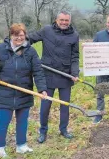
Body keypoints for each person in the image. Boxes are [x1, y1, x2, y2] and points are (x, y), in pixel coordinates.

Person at [0, 23, 47, 157]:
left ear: (25, 35)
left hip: (24, 92)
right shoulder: (1, 48)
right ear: (11, 35)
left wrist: (42, 89)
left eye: (21, 35)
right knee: (3, 121)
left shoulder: (30, 51)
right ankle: (0, 148)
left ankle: (21, 145)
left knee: (23, 121)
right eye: (16, 35)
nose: (19, 38)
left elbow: (38, 71)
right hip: (5, 92)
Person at [29, 11, 80, 143]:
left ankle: (63, 130)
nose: (64, 22)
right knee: (45, 106)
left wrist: (74, 73)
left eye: (66, 20)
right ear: (56, 20)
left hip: (65, 75)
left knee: (65, 105)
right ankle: (43, 131)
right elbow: (30, 39)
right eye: (61, 20)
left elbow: (75, 56)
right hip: (48, 74)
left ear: (70, 21)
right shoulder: (46, 30)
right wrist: (16, 43)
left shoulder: (74, 35)